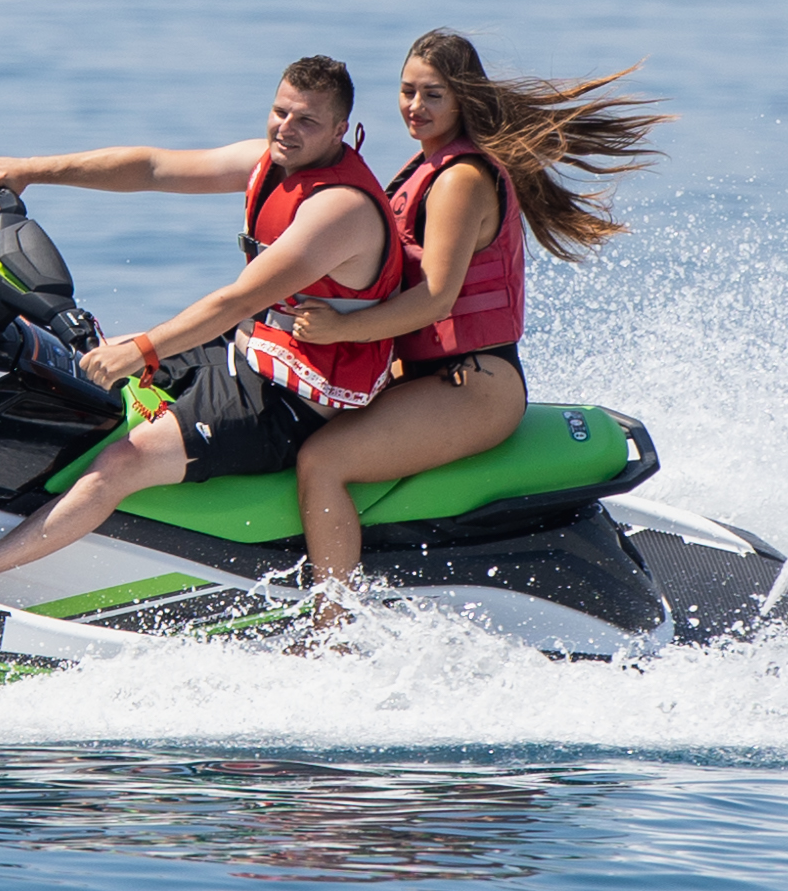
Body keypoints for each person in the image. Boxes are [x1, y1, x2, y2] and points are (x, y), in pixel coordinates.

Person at [0, 56, 411, 598]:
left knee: (123, 460)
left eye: (307, 121)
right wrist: (32, 169)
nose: (286, 128)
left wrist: (142, 349)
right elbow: (153, 168)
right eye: (280, 112)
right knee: (79, 366)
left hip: (293, 401)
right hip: (249, 352)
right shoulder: (271, 161)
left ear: (340, 130)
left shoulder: (339, 209)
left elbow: (235, 300)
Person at [281, 31, 664, 621]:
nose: (415, 106)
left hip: (472, 386)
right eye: (407, 91)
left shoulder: (459, 179)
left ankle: (333, 630)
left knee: (323, 462)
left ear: (463, 98)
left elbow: (435, 301)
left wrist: (337, 331)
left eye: (433, 94)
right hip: (428, 377)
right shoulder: (423, 165)